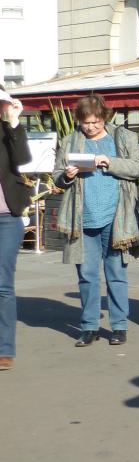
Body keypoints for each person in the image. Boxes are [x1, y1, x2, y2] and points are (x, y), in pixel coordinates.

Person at [52, 94, 139, 347]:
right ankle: (89, 326)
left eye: (95, 122)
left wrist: (110, 162)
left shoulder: (123, 137)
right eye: (86, 122)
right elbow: (57, 176)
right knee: (87, 275)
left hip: (116, 217)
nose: (91, 127)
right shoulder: (71, 140)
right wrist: (68, 176)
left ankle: (119, 326)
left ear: (104, 117)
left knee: (116, 273)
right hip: (82, 217)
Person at [0, 89, 31, 372]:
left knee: (2, 282)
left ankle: (4, 348)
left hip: (7, 217)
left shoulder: (8, 131)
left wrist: (13, 122)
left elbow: (22, 159)